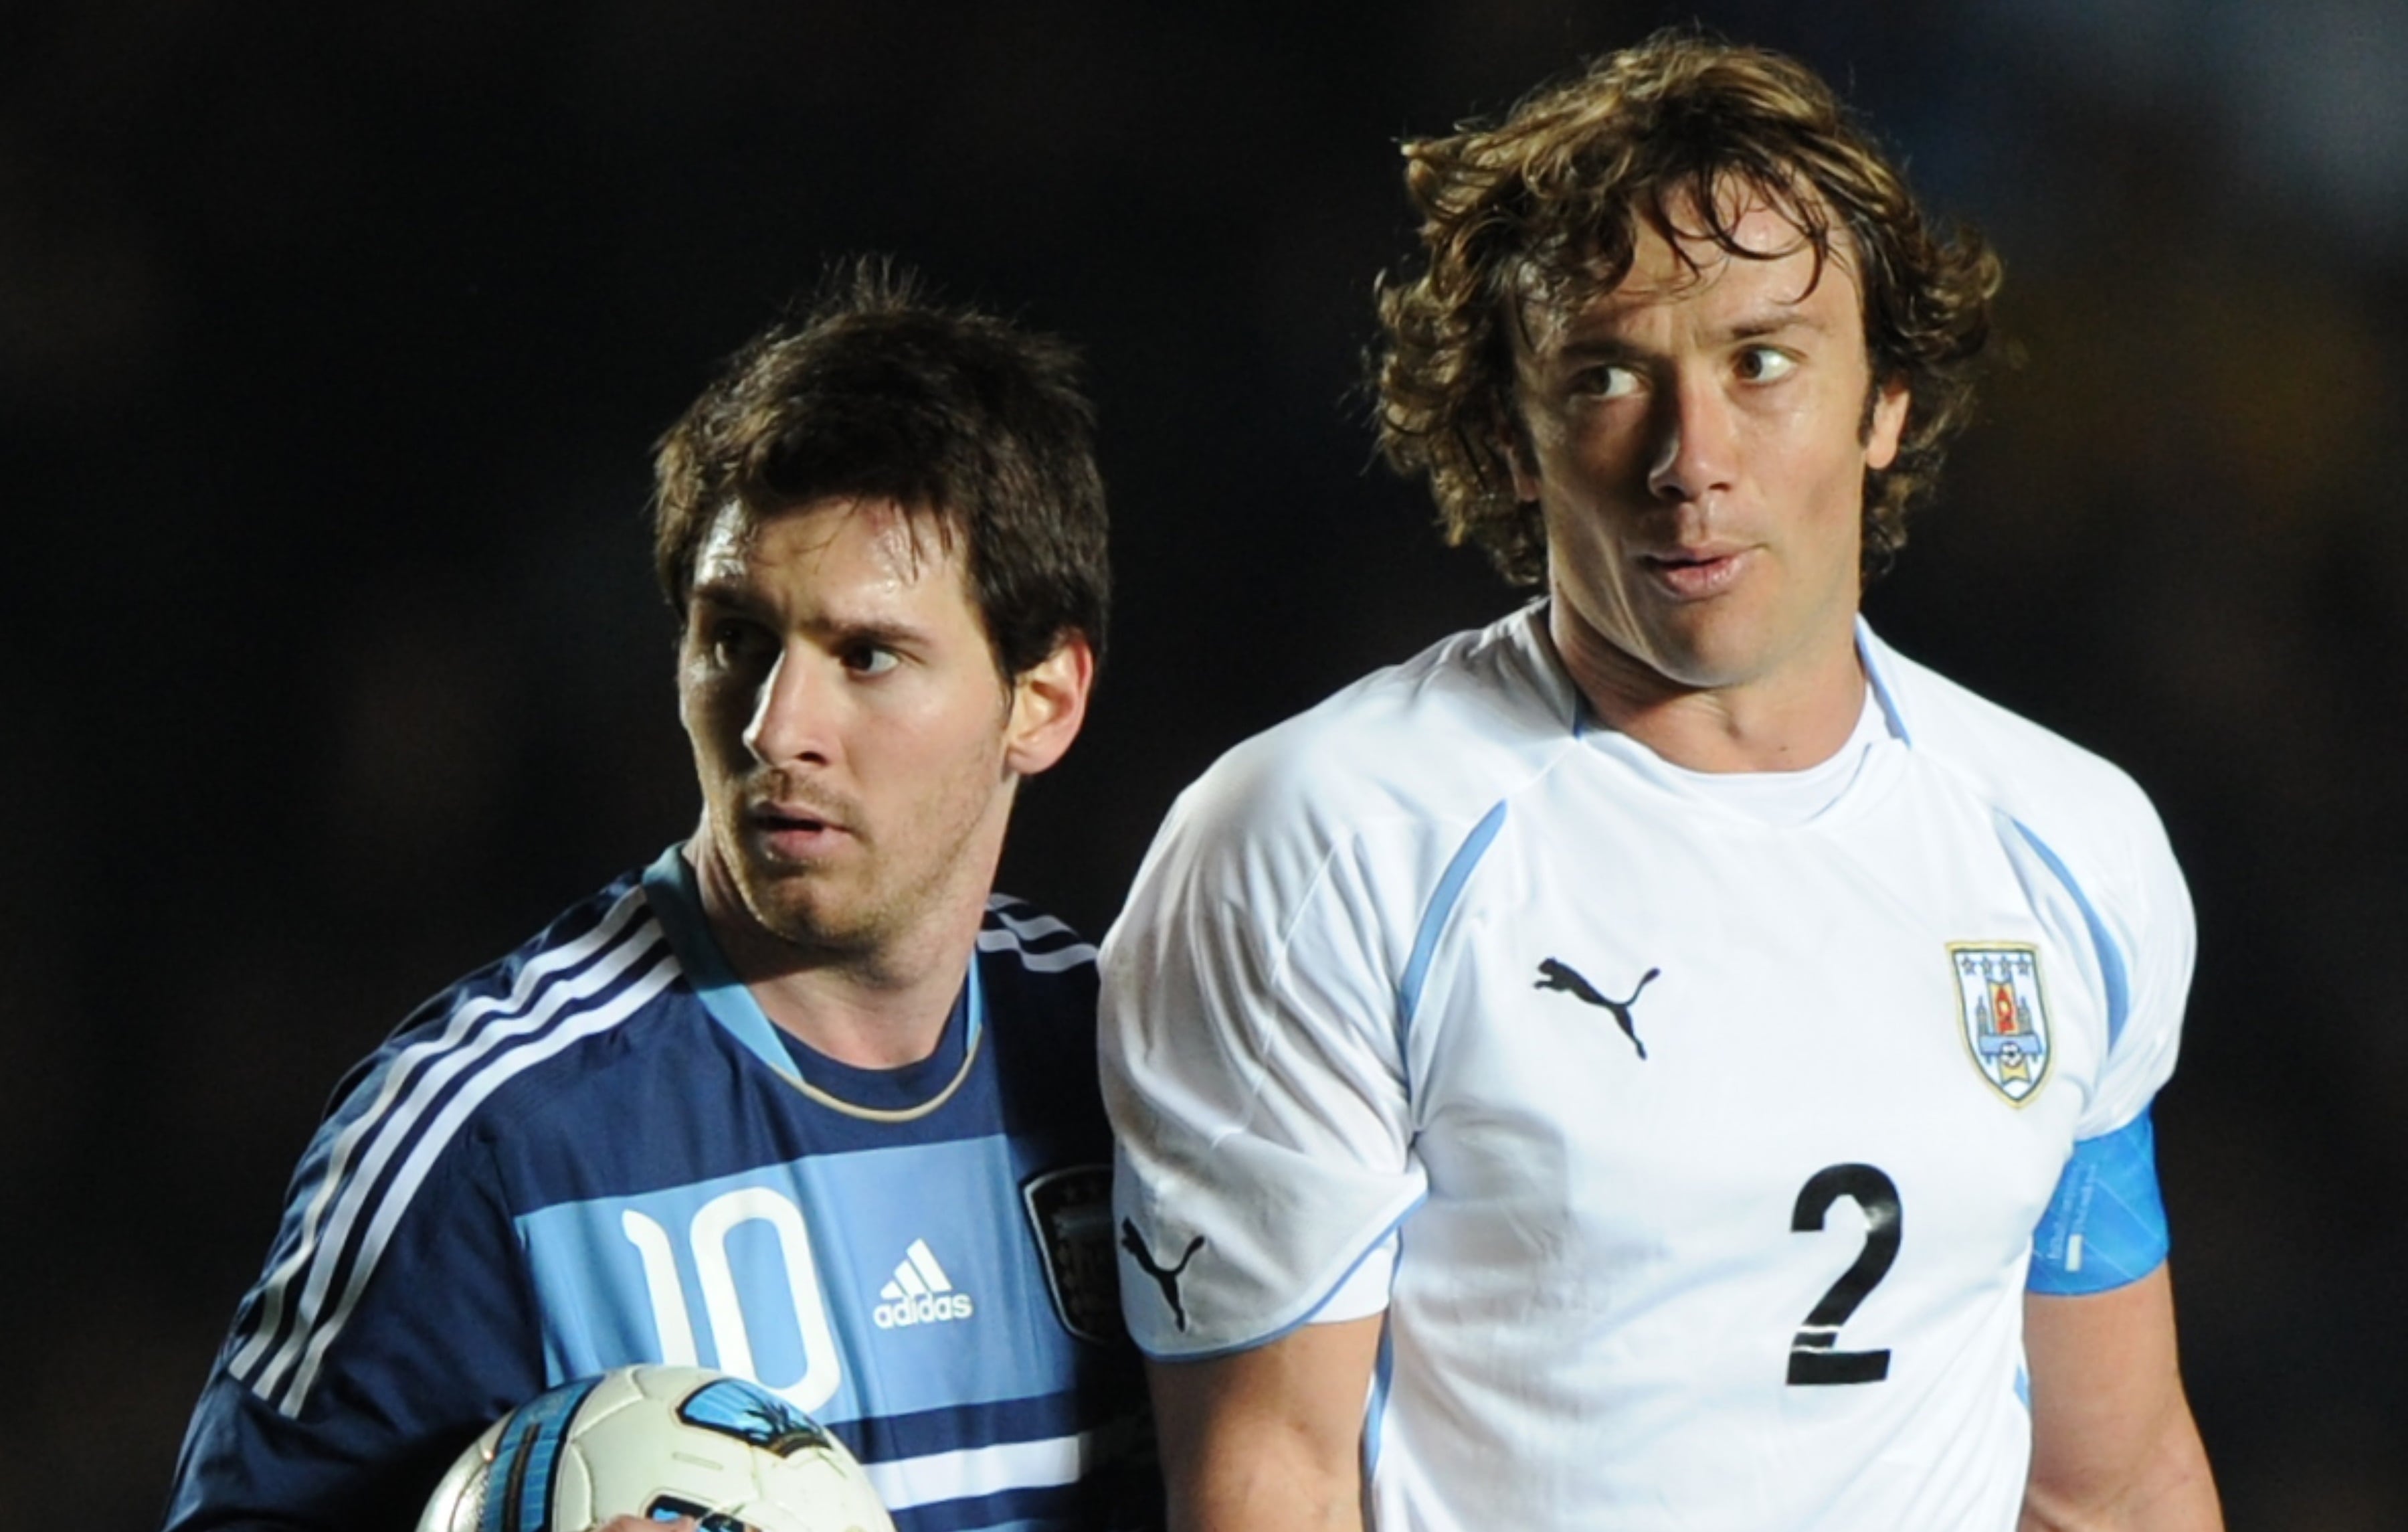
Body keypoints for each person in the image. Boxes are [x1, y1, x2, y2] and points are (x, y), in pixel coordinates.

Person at [1101, 31, 2219, 1531]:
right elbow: (1270, 1483)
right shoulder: (1320, 841)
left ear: (1885, 401)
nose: (1694, 458)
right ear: (1508, 431)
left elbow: (2115, 1481)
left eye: (1763, 362)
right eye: (1611, 374)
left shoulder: (2074, 844)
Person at [164, 262, 1151, 1532]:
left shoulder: (1134, 1056)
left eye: (869, 655)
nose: (779, 723)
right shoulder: (488, 1139)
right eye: (736, 638)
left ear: (1044, 699)